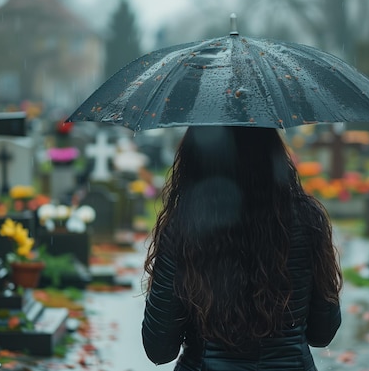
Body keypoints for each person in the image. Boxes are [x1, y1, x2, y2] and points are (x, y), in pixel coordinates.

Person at [142, 126, 342, 371]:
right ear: (272, 152)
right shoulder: (308, 219)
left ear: (196, 155)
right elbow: (322, 333)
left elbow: (159, 348)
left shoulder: (183, 226)